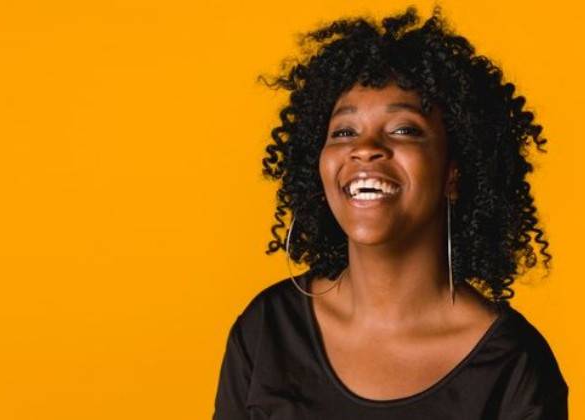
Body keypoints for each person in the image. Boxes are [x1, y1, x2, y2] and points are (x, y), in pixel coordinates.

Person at [212, 5, 568, 419]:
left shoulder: (514, 366)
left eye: (404, 129)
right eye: (344, 131)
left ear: (454, 173)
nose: (364, 148)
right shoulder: (267, 330)